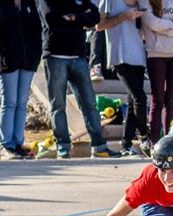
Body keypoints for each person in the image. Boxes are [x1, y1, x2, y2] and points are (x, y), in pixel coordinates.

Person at [37, 0, 121, 159]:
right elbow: (52, 21)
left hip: (79, 57)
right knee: (58, 105)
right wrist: (80, 18)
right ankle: (63, 145)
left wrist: (73, 17)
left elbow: (95, 17)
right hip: (55, 56)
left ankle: (99, 146)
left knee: (89, 103)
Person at [0, 0, 43, 160]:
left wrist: (35, 54)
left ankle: (18, 143)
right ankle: (7, 144)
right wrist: (4, 52)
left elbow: (37, 29)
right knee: (9, 102)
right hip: (8, 62)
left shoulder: (29, 3)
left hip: (28, 61)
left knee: (22, 103)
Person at [97, 0, 151, 157]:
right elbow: (99, 26)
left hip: (139, 57)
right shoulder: (110, 1)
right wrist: (124, 16)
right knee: (140, 98)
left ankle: (126, 144)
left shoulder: (142, 2)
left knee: (133, 101)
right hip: (120, 56)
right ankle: (143, 135)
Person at [139, 0, 173, 142]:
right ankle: (155, 143)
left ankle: (171, 140)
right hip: (155, 56)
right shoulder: (145, 2)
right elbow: (153, 24)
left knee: (171, 101)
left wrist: (164, 28)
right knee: (158, 101)